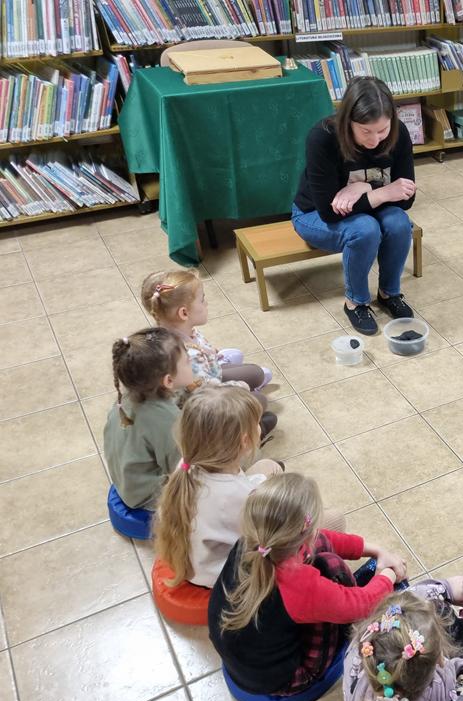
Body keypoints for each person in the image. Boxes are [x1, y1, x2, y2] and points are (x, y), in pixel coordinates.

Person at [209, 473, 408, 696]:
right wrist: (388, 574)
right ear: (306, 531)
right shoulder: (297, 585)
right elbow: (363, 604)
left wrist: (376, 550)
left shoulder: (253, 544)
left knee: (320, 560)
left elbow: (322, 538)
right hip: (282, 679)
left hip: (247, 662)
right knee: (331, 565)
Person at [292, 76, 416, 336]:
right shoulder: (322, 137)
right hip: (312, 214)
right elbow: (328, 211)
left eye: (382, 130)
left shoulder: (399, 133)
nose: (375, 140)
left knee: (398, 222)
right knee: (365, 229)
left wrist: (365, 187)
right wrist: (382, 192)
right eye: (365, 131)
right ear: (348, 121)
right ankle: (356, 301)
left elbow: (406, 198)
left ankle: (389, 293)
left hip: (364, 206)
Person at [154, 386, 284, 589]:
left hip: (197, 560)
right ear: (245, 441)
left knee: (270, 466)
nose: (260, 427)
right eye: (257, 424)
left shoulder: (186, 467)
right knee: (330, 521)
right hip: (221, 575)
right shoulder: (238, 496)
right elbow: (261, 537)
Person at [141, 269, 277, 438]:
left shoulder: (177, 329)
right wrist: (241, 387)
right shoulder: (185, 356)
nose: (206, 303)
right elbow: (209, 391)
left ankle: (232, 370)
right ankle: (248, 434)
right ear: (184, 313)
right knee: (259, 401)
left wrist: (213, 353)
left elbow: (199, 344)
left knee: (255, 373)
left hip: (209, 374)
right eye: (202, 299)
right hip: (205, 403)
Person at [103, 328, 192, 511]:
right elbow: (181, 468)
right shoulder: (167, 419)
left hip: (128, 484)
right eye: (188, 362)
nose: (192, 365)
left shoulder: (128, 398)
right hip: (147, 498)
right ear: (168, 381)